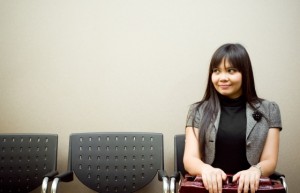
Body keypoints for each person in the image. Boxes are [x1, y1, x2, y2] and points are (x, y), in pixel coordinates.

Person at [183, 43, 282, 193]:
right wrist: (206, 170)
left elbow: (270, 160)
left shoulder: (269, 109)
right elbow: (190, 159)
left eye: (231, 70)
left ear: (245, 73)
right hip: (209, 189)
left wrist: (255, 171)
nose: (222, 78)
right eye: (216, 71)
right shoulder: (197, 110)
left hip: (250, 189)